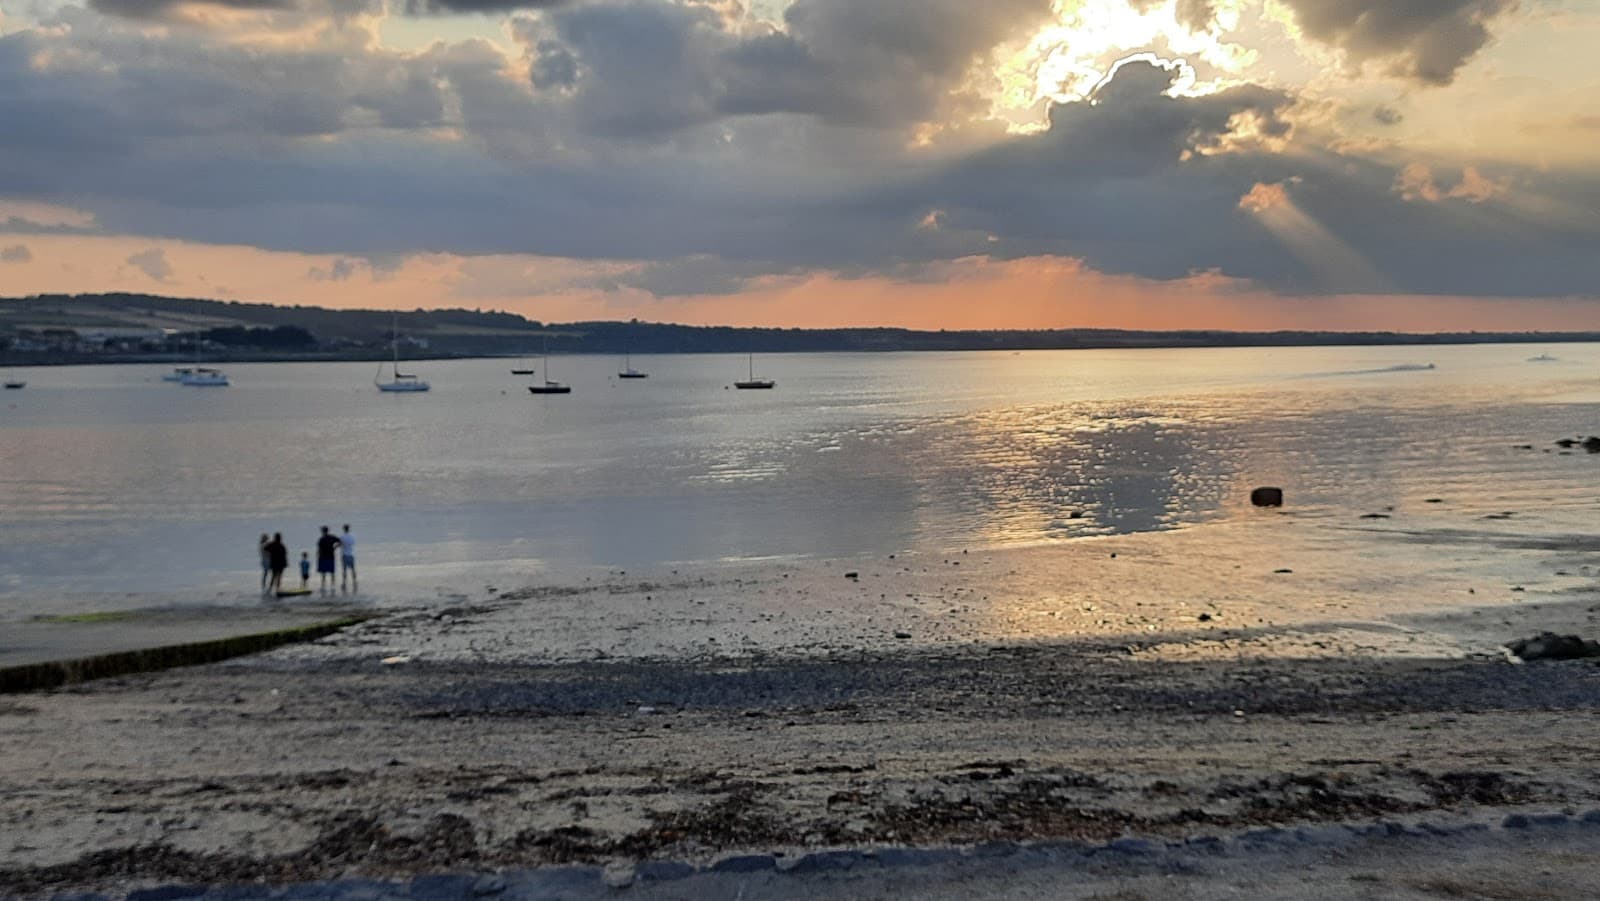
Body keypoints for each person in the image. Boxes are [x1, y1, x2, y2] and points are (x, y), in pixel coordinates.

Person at [315, 525, 341, 592]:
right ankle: (332, 586)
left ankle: (323, 586)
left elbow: (319, 550)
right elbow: (340, 541)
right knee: (332, 572)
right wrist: (335, 547)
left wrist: (317, 557)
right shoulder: (332, 537)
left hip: (323, 557)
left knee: (323, 573)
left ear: (323, 531)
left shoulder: (321, 539)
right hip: (331, 557)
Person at [340, 523, 358, 592]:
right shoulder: (352, 536)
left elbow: (341, 544)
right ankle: (354, 582)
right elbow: (353, 543)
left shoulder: (342, 536)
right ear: (349, 528)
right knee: (353, 569)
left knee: (344, 570)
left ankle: (344, 583)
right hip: (351, 554)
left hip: (344, 555)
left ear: (344, 529)